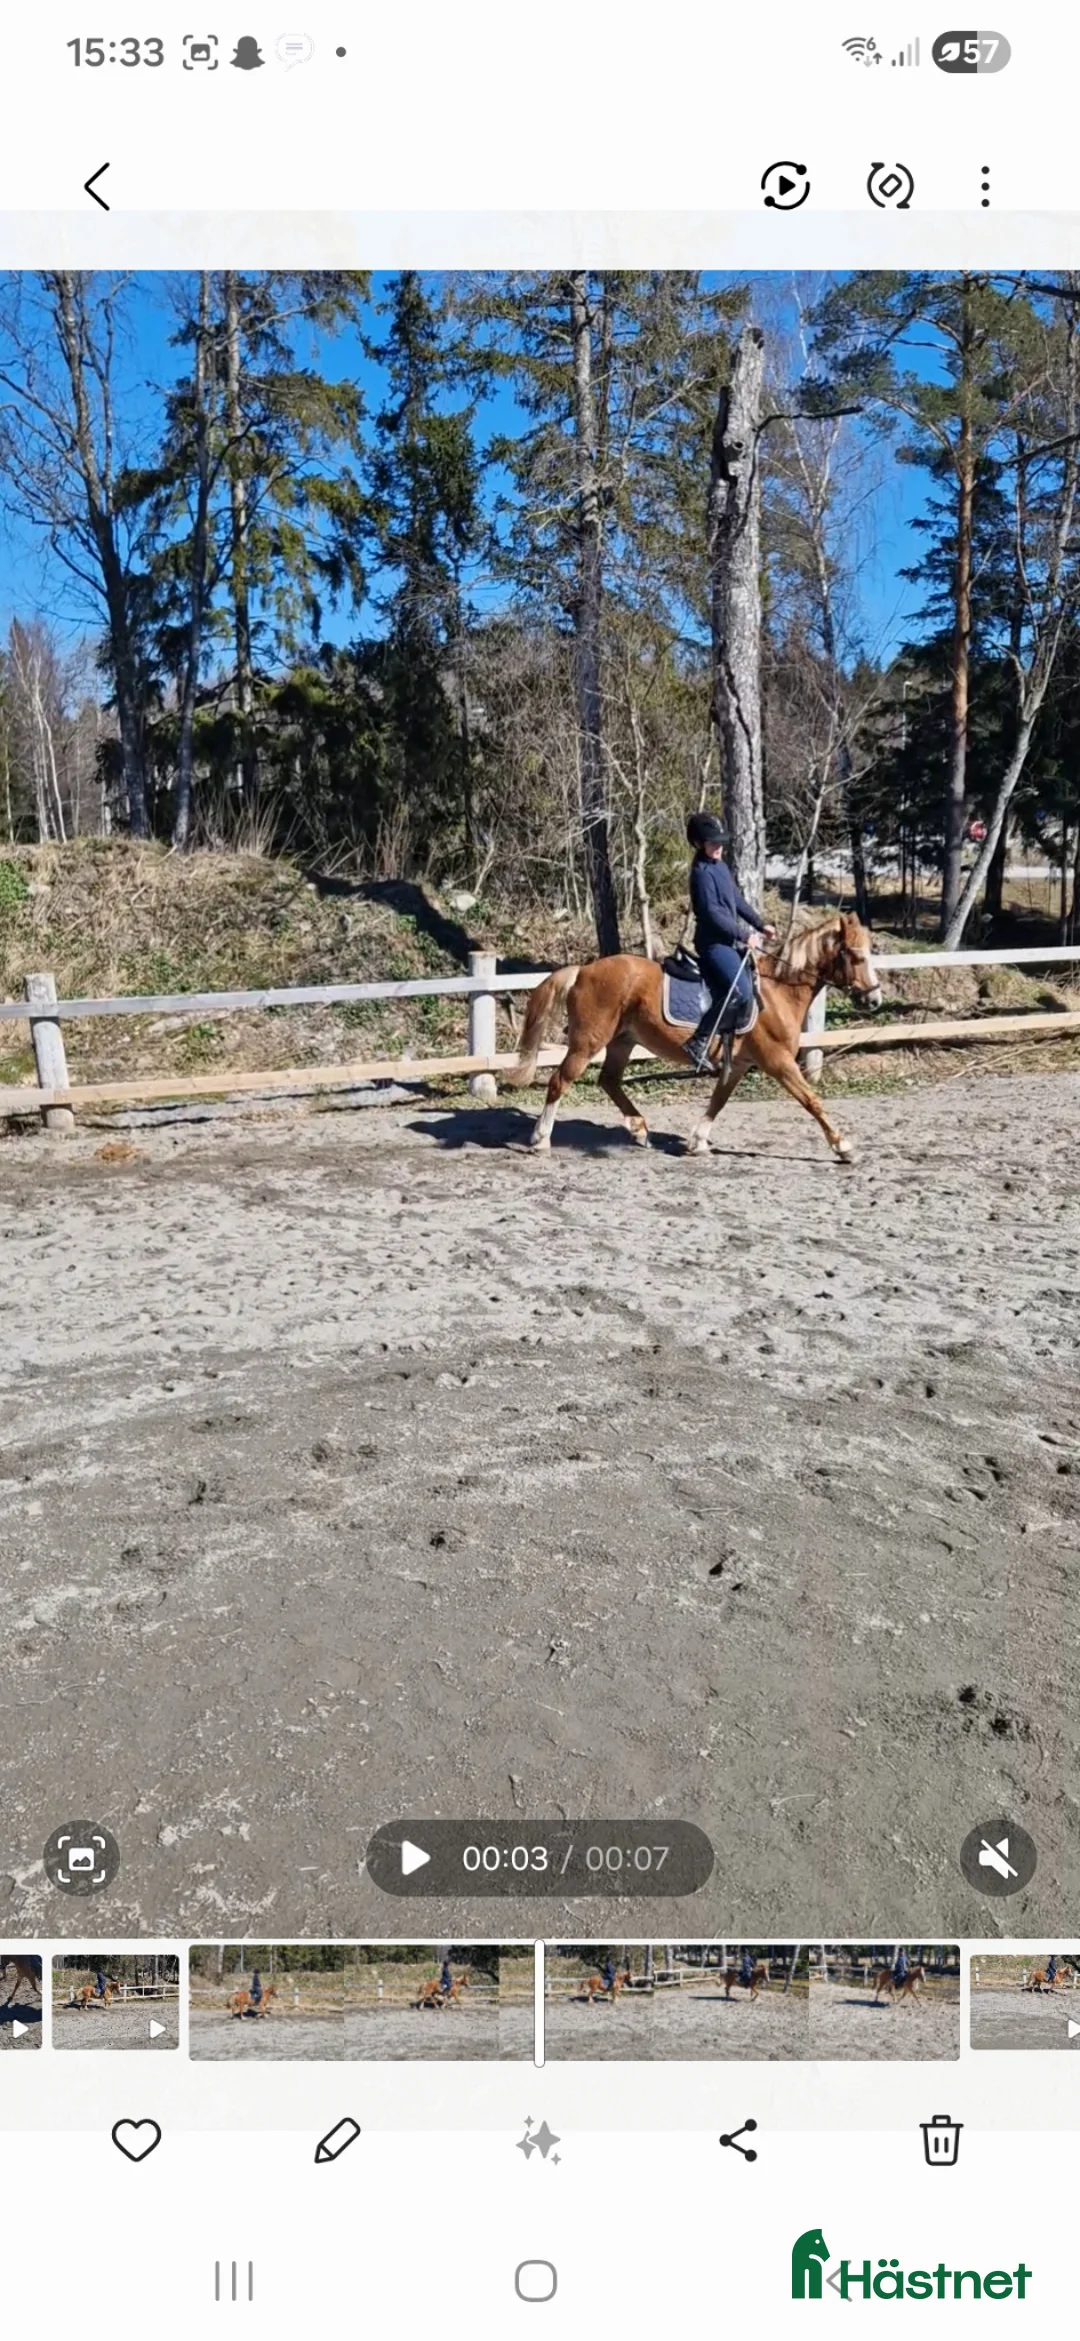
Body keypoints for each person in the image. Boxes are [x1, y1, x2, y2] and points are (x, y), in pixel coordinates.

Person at [682, 812, 777, 1071]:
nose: (719, 847)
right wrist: (746, 936)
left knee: (753, 985)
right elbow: (712, 914)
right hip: (713, 944)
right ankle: (698, 1042)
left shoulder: (721, 868)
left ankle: (734, 1046)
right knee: (740, 991)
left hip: (729, 941)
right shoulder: (701, 874)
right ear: (700, 843)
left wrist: (760, 924)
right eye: (713, 843)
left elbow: (736, 900)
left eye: (721, 842)